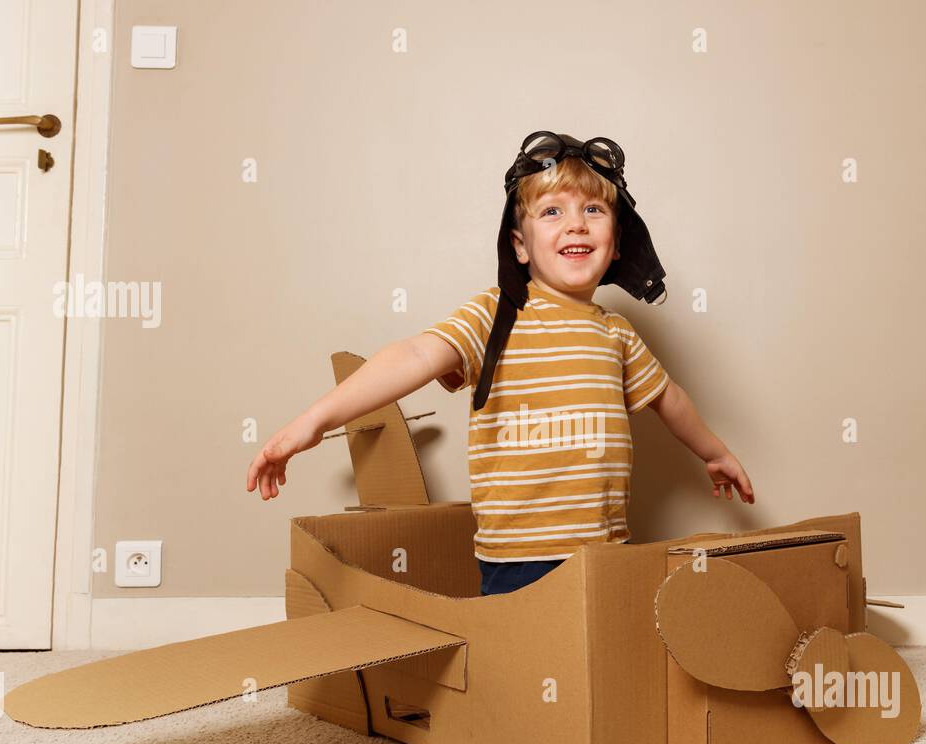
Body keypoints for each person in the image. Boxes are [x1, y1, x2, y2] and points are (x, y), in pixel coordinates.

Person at [246, 132, 754, 596]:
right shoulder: (497, 314)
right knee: (524, 679)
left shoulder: (615, 332)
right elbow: (416, 354)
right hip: (519, 557)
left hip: (605, 549)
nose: (576, 222)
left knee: (600, 673)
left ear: (617, 242)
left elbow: (669, 398)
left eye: (594, 210)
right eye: (552, 212)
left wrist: (714, 452)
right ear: (519, 244)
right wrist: (313, 421)